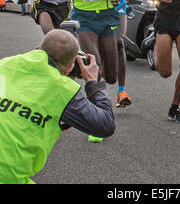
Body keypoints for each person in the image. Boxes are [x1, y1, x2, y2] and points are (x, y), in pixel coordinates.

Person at [48, 0, 130, 142]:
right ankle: (96, 120)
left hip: (107, 16)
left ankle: (89, 92)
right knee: (95, 63)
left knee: (111, 76)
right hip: (83, 18)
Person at [0, 29, 115, 184]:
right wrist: (93, 83)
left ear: (37, 50)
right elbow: (105, 125)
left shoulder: (5, 63)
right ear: (70, 68)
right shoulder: (63, 90)